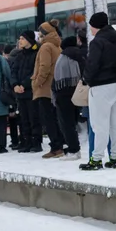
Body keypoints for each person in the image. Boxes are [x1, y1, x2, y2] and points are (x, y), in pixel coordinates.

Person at [81, 13, 116, 171]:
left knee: (99, 124)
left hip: (101, 87)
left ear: (96, 26)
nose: (90, 29)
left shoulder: (97, 42)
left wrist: (86, 79)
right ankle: (115, 157)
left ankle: (96, 159)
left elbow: (92, 64)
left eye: (91, 26)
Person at [31, 20, 65, 158]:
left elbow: (44, 66)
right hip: (54, 86)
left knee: (48, 119)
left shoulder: (45, 47)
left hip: (44, 88)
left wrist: (37, 82)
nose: (38, 36)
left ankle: (55, 147)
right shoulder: (57, 46)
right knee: (55, 118)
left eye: (40, 34)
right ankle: (59, 144)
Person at [53, 35, 84, 160]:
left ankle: (73, 149)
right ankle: (74, 148)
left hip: (64, 93)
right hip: (77, 93)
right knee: (73, 122)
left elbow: (57, 78)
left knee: (66, 124)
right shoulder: (80, 55)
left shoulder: (64, 56)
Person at [12, 31, 41, 153]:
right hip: (20, 92)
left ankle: (36, 142)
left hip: (31, 91)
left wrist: (24, 84)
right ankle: (26, 141)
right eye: (20, 38)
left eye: (22, 38)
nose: (20, 41)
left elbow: (35, 72)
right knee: (23, 119)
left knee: (34, 118)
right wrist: (15, 84)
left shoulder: (36, 54)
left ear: (29, 40)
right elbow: (13, 71)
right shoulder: (20, 55)